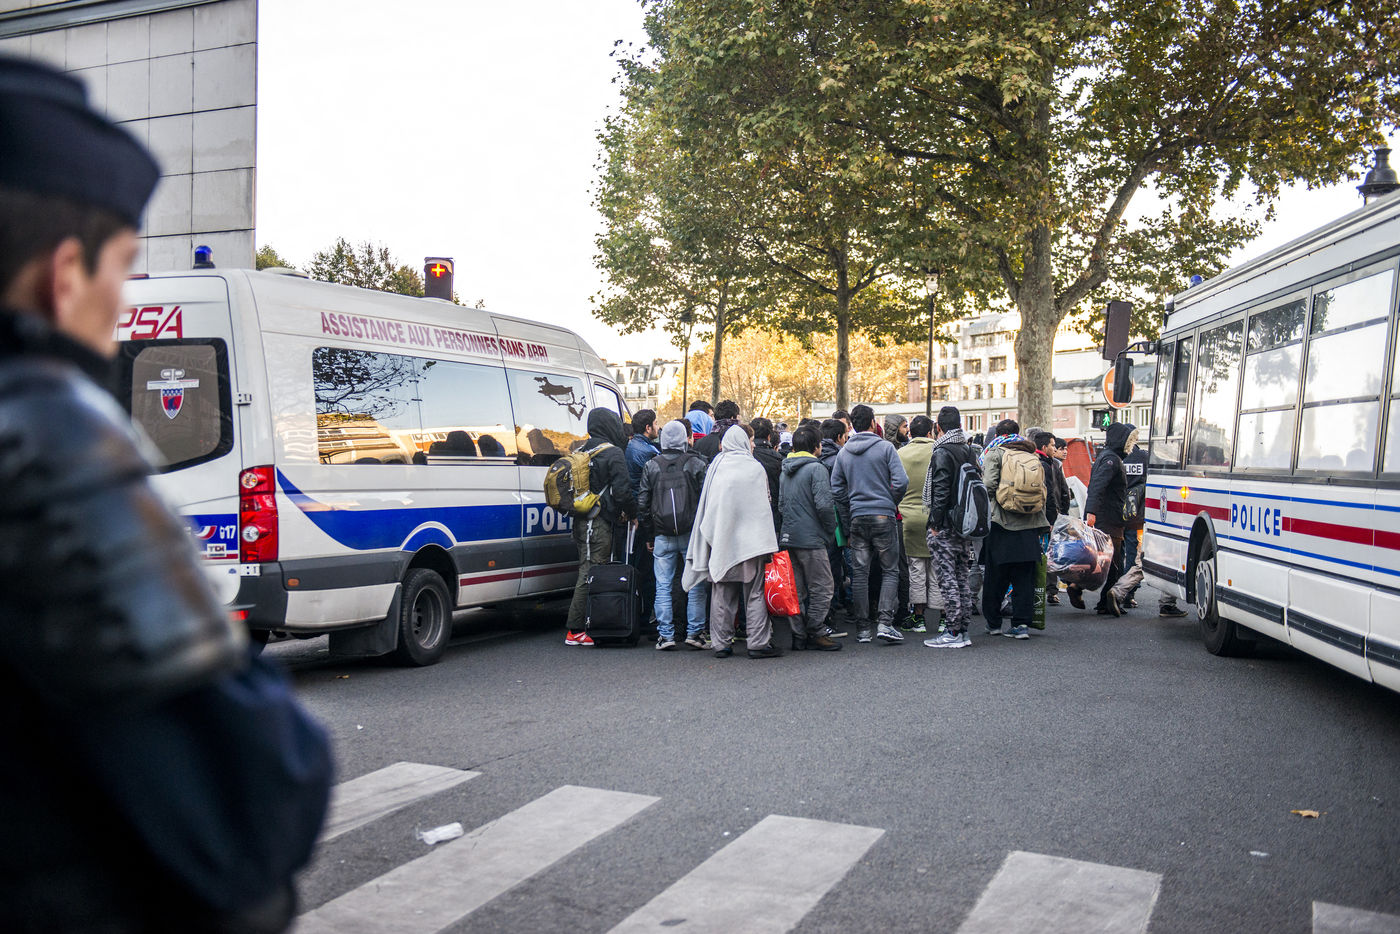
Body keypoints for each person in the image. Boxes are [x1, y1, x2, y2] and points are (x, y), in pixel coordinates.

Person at [0, 57, 332, 932]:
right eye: (121, 270)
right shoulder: (48, 444)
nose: (122, 312)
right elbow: (256, 795)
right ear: (64, 277)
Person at [683, 424, 782, 658]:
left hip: (723, 540)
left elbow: (710, 505)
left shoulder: (717, 468)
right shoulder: (754, 468)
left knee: (722, 594)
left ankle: (721, 644)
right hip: (753, 543)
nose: (753, 445)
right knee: (755, 593)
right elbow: (765, 503)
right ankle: (757, 643)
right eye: (751, 440)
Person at [831, 404, 909, 644]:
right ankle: (885, 622)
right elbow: (901, 481)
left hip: (858, 518)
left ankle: (863, 628)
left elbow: (837, 488)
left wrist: (851, 509)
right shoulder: (885, 448)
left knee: (860, 574)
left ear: (852, 425)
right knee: (890, 570)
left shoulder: (844, 453)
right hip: (883, 516)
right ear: (873, 423)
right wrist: (889, 501)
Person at [565, 408, 637, 646]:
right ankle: (575, 629)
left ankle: (589, 622)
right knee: (590, 571)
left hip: (581, 520)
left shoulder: (580, 450)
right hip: (598, 523)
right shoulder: (613, 452)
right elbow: (623, 491)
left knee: (589, 568)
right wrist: (632, 513)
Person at [638, 420, 709, 650]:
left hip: (662, 534)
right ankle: (695, 633)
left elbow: (643, 503)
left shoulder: (652, 465)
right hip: (691, 534)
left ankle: (665, 635)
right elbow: (707, 500)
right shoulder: (696, 463)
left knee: (663, 585)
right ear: (683, 439)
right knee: (696, 584)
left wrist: (649, 534)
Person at [980, 419, 1050, 638]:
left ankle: (993, 624)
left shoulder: (995, 453)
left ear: (997, 435)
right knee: (1024, 578)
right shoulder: (1032, 455)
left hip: (1001, 523)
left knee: (995, 577)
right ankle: (1021, 625)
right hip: (1030, 525)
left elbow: (988, 485)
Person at [777, 426, 842, 651]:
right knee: (823, 586)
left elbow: (781, 505)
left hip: (789, 536)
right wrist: (830, 529)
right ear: (816, 446)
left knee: (795, 589)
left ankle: (798, 634)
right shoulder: (817, 469)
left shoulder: (785, 469)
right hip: (812, 538)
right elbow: (824, 505)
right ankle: (816, 630)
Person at [922, 406, 981, 648]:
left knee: (947, 580)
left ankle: (952, 631)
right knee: (961, 578)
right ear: (959, 425)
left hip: (945, 525)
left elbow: (940, 490)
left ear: (938, 427)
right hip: (964, 523)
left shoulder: (942, 451)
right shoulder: (968, 450)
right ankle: (963, 630)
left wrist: (935, 523)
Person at [1070, 421, 1134, 616]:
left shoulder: (1107, 457)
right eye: (1129, 441)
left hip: (1106, 517)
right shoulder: (1111, 460)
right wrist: (1091, 512)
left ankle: (1079, 587)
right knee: (1113, 563)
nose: (1131, 445)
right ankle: (1104, 601)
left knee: (1101, 559)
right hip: (1109, 519)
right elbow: (1097, 486)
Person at [897, 415, 939, 633]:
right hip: (935, 518)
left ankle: (918, 616)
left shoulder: (900, 454)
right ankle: (941, 618)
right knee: (937, 568)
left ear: (911, 433)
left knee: (915, 568)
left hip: (909, 518)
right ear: (931, 432)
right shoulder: (939, 452)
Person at [818, 417, 853, 634]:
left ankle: (822, 618)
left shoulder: (816, 458)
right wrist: (848, 530)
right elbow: (842, 498)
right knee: (833, 570)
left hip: (816, 526)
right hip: (836, 524)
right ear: (840, 437)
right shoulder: (840, 459)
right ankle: (828, 619)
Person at [1034, 430, 1071, 605]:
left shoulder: (1054, 464)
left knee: (1050, 552)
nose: (1055, 449)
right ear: (1044, 447)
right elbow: (1048, 494)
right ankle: (1046, 589)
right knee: (1046, 552)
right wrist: (1052, 517)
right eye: (1053, 446)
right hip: (1046, 517)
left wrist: (1062, 513)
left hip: (1051, 516)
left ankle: (1050, 589)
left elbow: (1063, 491)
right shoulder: (1042, 464)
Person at [1118, 426, 1148, 608]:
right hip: (1135, 513)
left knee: (1116, 552)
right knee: (1132, 552)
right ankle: (1128, 592)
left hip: (1116, 510)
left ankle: (1115, 588)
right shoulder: (1143, 457)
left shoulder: (1116, 456)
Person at [750, 416, 784, 527]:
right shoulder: (777, 458)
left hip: (749, 513)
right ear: (769, 436)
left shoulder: (745, 455)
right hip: (771, 513)